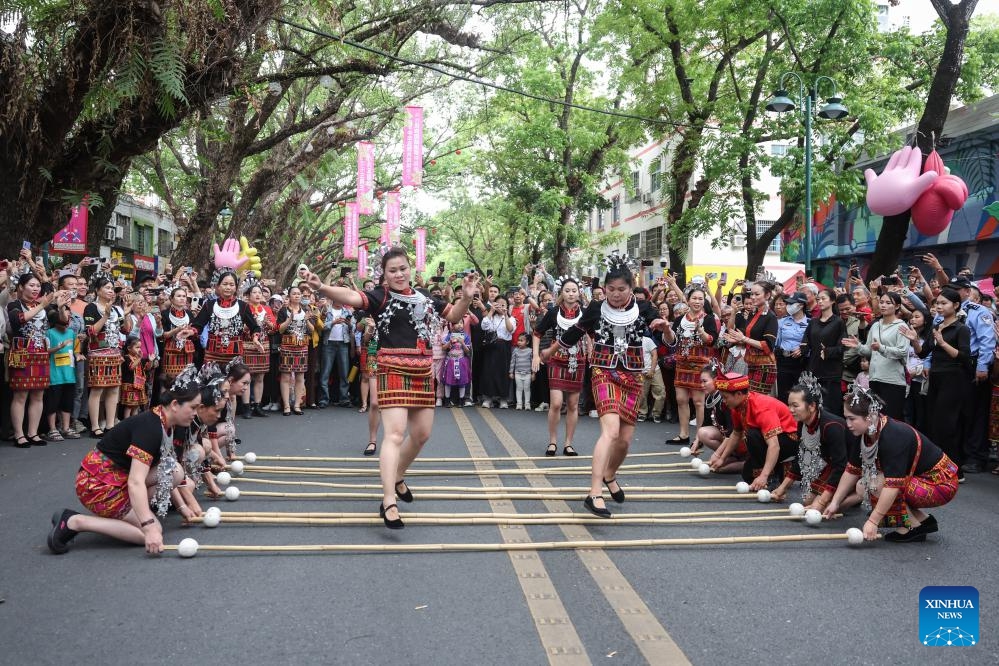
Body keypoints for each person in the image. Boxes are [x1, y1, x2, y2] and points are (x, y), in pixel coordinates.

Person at [308, 247, 478, 529]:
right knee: (395, 434)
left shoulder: (427, 298)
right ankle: (388, 500)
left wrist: (467, 297)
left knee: (422, 435)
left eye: (402, 268)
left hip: (423, 371)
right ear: (384, 275)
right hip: (391, 368)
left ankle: (398, 474)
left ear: (410, 269)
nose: (399, 274)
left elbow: (454, 315)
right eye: (392, 270)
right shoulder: (380, 296)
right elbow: (351, 297)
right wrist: (323, 287)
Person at [541, 253, 668, 518]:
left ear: (631, 288)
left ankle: (610, 474)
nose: (616, 294)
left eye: (622, 289)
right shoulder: (597, 308)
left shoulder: (644, 308)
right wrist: (551, 349)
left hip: (633, 375)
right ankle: (594, 492)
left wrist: (664, 328)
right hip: (603, 370)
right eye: (611, 289)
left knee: (624, 441)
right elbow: (575, 331)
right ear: (604, 289)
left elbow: (669, 339)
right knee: (609, 432)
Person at [47, 366, 203, 554]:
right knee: (149, 533)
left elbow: (161, 470)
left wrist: (182, 507)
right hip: (97, 484)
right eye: (193, 407)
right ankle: (74, 521)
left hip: (118, 478)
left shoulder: (166, 423)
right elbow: (136, 481)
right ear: (175, 404)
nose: (195, 413)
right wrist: (148, 525)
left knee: (174, 470)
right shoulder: (150, 427)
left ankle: (130, 510)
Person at [824, 386, 959, 542]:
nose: (848, 424)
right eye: (846, 418)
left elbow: (892, 485)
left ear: (871, 416)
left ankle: (911, 528)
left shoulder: (894, 435)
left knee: (875, 483)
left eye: (852, 418)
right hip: (920, 480)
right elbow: (852, 470)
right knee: (864, 484)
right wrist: (835, 503)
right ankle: (922, 520)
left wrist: (873, 521)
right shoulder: (864, 433)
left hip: (940, 484)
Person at [708, 372, 799, 500]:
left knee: (752, 434)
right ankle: (781, 469)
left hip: (789, 439)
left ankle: (771, 476)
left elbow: (774, 446)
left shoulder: (762, 407)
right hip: (768, 440)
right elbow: (736, 433)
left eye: (725, 397)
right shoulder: (736, 406)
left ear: (739, 394)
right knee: (747, 475)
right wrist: (722, 458)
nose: (723, 401)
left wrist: (764, 475)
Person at [532, 276, 587, 455]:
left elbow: (593, 334)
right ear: (561, 293)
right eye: (567, 291)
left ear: (579, 292)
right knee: (555, 403)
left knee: (573, 404)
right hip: (556, 359)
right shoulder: (553, 311)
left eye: (574, 291)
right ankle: (553, 441)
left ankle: (568, 443)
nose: (571, 294)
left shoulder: (585, 313)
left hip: (577, 360)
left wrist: (592, 349)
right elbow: (537, 332)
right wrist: (535, 356)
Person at [924, 288, 973, 482]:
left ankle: (955, 471)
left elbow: (965, 357)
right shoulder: (937, 327)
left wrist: (943, 343)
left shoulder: (962, 329)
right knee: (933, 424)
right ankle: (938, 467)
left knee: (948, 425)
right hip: (936, 378)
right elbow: (922, 352)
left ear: (956, 305)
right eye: (937, 304)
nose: (939, 307)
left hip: (954, 379)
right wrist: (914, 341)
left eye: (944, 303)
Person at [786, 374, 853, 512]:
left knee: (820, 507)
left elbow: (841, 465)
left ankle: (853, 495)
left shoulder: (831, 426)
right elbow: (801, 456)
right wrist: (782, 488)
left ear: (811, 406)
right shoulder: (802, 423)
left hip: (851, 467)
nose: (790, 410)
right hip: (830, 464)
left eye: (795, 406)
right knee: (807, 501)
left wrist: (823, 501)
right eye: (789, 405)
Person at [7, 273, 57, 447]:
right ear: (21, 287)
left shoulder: (42, 306)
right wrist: (42, 304)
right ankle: (19, 434)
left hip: (41, 353)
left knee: (38, 394)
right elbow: (17, 320)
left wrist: (62, 306)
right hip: (22, 353)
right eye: (31, 285)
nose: (36, 289)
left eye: (37, 286)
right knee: (20, 395)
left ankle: (33, 433)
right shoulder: (14, 304)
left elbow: (59, 320)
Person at [842, 292, 908, 419]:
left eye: (888, 303)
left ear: (897, 306)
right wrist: (859, 346)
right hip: (874, 378)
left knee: (890, 419)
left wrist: (881, 348)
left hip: (892, 380)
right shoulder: (875, 325)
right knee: (874, 418)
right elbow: (869, 351)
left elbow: (902, 352)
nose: (883, 305)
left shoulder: (901, 326)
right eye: (882, 302)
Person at [84, 272, 132, 437]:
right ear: (97, 290)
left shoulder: (117, 309)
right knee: (97, 389)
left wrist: (125, 314)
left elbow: (126, 330)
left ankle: (110, 425)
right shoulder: (91, 307)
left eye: (112, 288)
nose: (111, 291)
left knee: (113, 389)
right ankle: (95, 426)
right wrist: (105, 315)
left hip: (114, 353)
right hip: (98, 353)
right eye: (107, 287)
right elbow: (91, 331)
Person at [665, 285, 716, 444]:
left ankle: (699, 437)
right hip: (682, 363)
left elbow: (711, 341)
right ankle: (683, 434)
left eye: (701, 298)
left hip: (700, 366)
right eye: (694, 298)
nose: (697, 301)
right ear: (687, 300)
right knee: (681, 399)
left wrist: (700, 330)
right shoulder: (680, 319)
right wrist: (666, 330)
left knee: (698, 401)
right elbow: (672, 342)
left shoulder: (708, 319)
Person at [726, 281, 777, 395]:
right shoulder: (752, 313)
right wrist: (739, 339)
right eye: (752, 294)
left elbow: (768, 346)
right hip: (751, 362)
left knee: (755, 401)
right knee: (748, 400)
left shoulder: (770, 316)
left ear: (767, 295)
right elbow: (751, 337)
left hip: (764, 366)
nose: (753, 297)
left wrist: (743, 339)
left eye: (757, 294)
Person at [691, 363, 744, 473]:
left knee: (721, 468)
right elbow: (706, 423)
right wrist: (697, 442)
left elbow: (732, 432)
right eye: (701, 382)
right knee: (702, 432)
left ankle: (736, 456)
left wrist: (718, 455)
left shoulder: (726, 400)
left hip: (739, 438)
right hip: (727, 436)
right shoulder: (710, 398)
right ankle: (731, 456)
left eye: (705, 381)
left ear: (716, 380)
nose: (701, 385)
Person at [800, 289, 845, 414]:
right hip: (814, 369)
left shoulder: (838, 322)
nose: (820, 301)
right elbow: (806, 340)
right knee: (813, 408)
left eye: (823, 298)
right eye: (818, 299)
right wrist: (802, 348)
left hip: (831, 371)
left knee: (830, 409)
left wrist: (828, 351)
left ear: (832, 301)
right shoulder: (813, 321)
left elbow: (842, 347)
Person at [276, 285, 314, 415]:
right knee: (285, 376)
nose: (297, 295)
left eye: (299, 294)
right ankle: (286, 405)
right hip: (287, 345)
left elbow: (312, 330)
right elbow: (280, 329)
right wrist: (290, 318)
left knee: (300, 376)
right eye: (294, 294)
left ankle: (297, 405)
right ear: (289, 296)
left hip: (302, 346)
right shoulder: (283, 310)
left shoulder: (306, 309)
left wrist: (308, 320)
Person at [44, 304, 78, 441]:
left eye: (69, 317)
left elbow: (76, 350)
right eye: (65, 316)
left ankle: (65, 427)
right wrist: (59, 347)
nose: (68, 319)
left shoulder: (71, 333)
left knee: (67, 402)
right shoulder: (49, 333)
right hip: (55, 375)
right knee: (53, 402)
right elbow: (46, 351)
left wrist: (79, 355)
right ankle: (52, 429)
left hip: (69, 375)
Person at [242, 280, 275, 416]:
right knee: (247, 376)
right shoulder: (244, 308)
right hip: (248, 344)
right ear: (248, 295)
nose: (257, 295)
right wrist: (248, 326)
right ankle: (246, 407)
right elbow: (239, 328)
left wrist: (268, 324)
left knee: (260, 376)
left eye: (259, 293)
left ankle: (257, 405)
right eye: (254, 292)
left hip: (263, 343)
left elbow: (274, 328)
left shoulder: (266, 309)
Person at [479, 295, 515, 409]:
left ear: (507, 306)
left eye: (503, 304)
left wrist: (505, 315)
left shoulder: (511, 318)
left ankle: (503, 399)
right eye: (498, 304)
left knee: (503, 372)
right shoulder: (491, 317)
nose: (500, 306)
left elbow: (510, 329)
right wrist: (491, 311)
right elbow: (484, 326)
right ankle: (488, 398)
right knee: (489, 372)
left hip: (504, 346)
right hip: (491, 346)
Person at [774, 292, 809, 402]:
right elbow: (777, 343)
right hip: (784, 361)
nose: (788, 306)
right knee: (783, 395)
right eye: (788, 303)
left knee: (801, 395)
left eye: (792, 303)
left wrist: (803, 350)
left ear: (801, 305)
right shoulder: (781, 322)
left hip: (802, 362)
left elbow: (812, 343)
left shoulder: (810, 323)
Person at [161, 287, 197, 385]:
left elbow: (195, 332)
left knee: (185, 380)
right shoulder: (165, 314)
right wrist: (176, 330)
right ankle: (166, 400)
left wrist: (191, 331)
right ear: (171, 299)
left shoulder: (189, 314)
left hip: (187, 350)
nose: (182, 298)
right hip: (171, 349)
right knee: (169, 380)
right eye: (178, 296)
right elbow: (163, 335)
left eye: (184, 296)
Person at [441, 320, 472, 406]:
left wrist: (462, 343)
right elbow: (443, 348)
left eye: (461, 323)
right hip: (450, 361)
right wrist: (450, 342)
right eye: (457, 323)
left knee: (462, 381)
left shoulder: (466, 336)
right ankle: (447, 400)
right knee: (448, 380)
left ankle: (461, 400)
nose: (459, 325)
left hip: (461, 360)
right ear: (453, 325)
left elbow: (468, 351)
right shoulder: (449, 336)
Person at [510, 332, 535, 411]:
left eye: (521, 340)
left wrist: (533, 373)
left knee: (527, 389)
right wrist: (511, 372)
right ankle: (519, 404)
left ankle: (527, 404)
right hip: (517, 373)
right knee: (519, 388)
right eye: (518, 340)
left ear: (527, 342)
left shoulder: (530, 351)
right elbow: (512, 362)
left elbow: (532, 362)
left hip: (528, 373)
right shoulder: (515, 351)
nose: (519, 342)